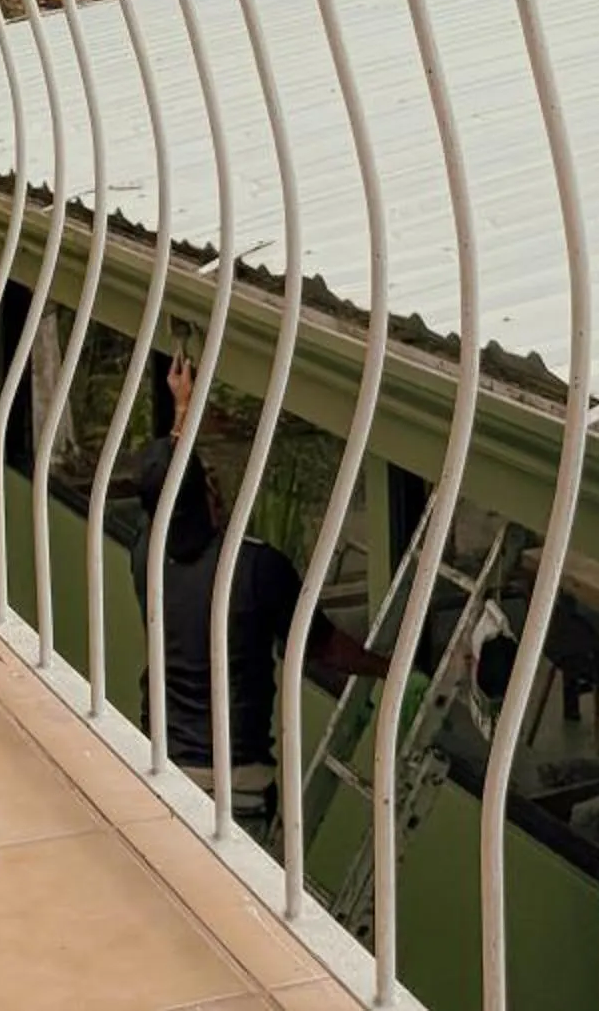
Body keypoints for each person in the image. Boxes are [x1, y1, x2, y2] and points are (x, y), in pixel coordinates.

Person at [130, 355, 387, 838]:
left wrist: (182, 407)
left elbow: (170, 484)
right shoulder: (252, 567)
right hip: (236, 783)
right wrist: (388, 668)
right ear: (208, 498)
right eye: (208, 480)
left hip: (165, 768)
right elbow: (323, 648)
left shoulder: (146, 553)